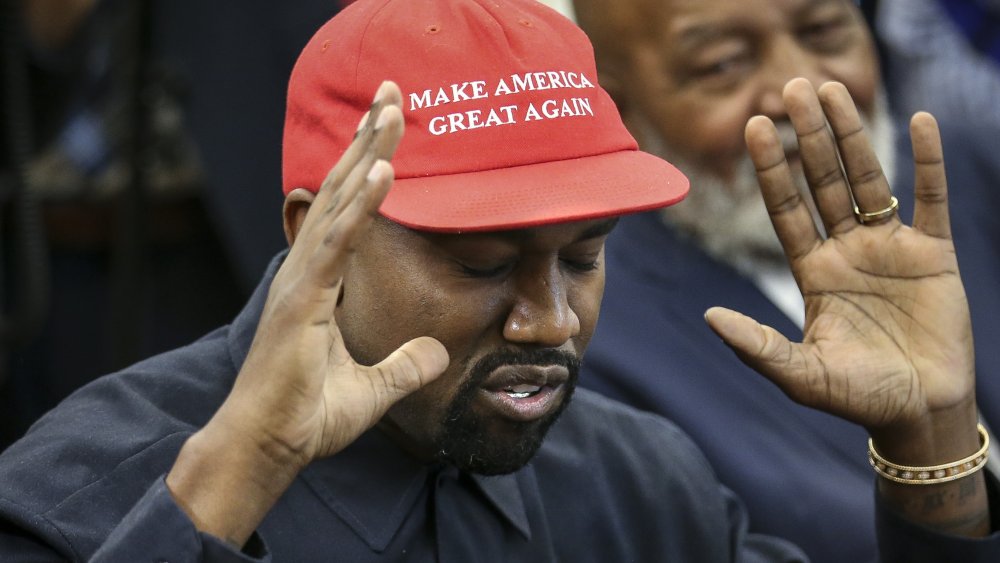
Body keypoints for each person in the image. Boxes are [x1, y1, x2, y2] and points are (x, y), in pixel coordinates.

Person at [0, 0, 997, 560]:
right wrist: (238, 474)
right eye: (479, 262)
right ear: (319, 238)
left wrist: (929, 439)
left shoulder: (632, 479)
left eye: (584, 254)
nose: (547, 317)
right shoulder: (84, 486)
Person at [570, 0, 1000, 560]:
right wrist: (928, 447)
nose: (800, 88)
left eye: (824, 32)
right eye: (723, 64)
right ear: (618, 105)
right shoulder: (589, 335)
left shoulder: (964, 173)